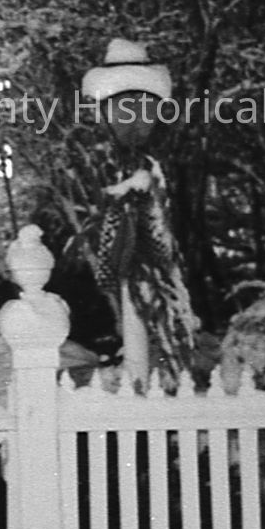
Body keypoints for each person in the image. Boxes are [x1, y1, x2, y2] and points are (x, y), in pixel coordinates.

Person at [78, 39, 198, 391]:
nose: (133, 119)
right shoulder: (124, 182)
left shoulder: (148, 180)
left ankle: (152, 379)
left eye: (142, 109)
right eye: (121, 110)